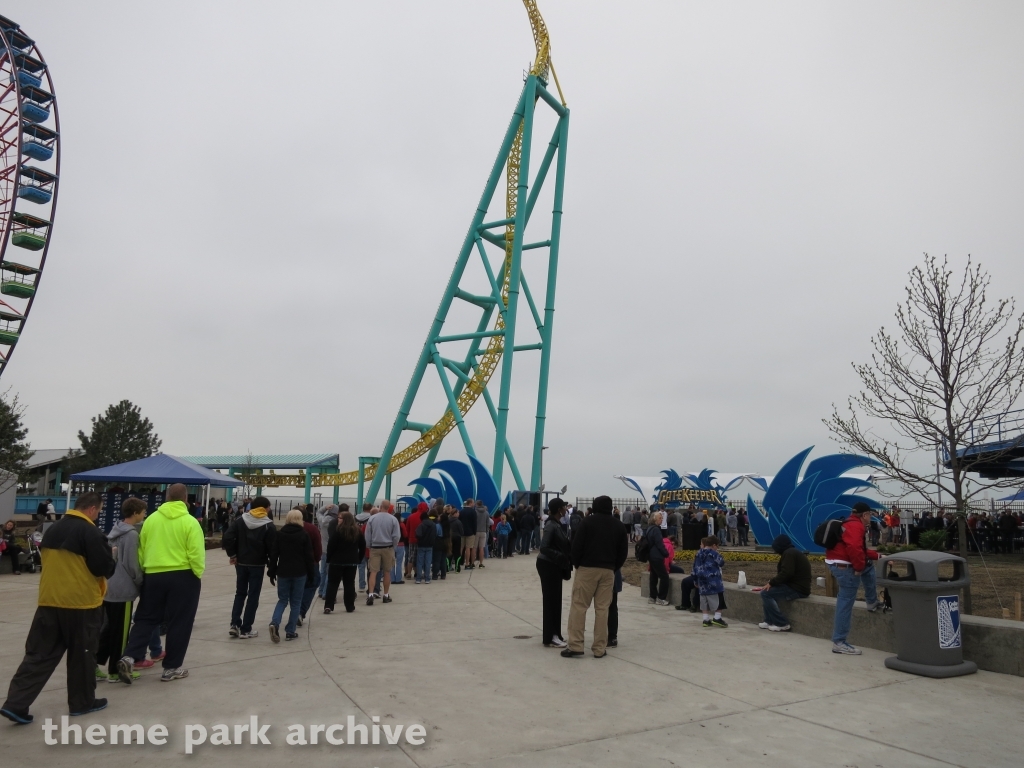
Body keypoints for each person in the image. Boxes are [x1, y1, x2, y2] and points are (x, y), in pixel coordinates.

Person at [1, 492, 116, 724]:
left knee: (38, 655)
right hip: (81, 604)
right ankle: (82, 703)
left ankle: (15, 704)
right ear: (92, 509)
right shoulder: (90, 531)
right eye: (99, 511)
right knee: (83, 655)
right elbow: (103, 568)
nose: (98, 515)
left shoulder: (53, 529)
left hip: (49, 601)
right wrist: (111, 556)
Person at [562, 495, 628, 659]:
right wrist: (614, 567)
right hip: (608, 570)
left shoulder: (587, 522)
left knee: (579, 606)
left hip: (587, 568)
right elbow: (623, 552)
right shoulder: (618, 525)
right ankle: (599, 648)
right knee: (603, 609)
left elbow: (576, 546)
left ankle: (576, 645)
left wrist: (577, 564)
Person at [96, 498, 147, 683]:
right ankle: (115, 671)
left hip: (110, 585)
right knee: (121, 632)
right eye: (143, 512)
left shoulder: (115, 530)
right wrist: (140, 581)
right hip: (123, 589)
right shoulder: (131, 535)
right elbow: (132, 564)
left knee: (109, 629)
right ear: (135, 513)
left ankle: (93, 663)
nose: (145, 515)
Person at [826, 502, 880, 655]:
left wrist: (878, 556)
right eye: (870, 514)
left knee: (868, 567)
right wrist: (858, 568)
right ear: (865, 515)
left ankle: (872, 601)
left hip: (836, 562)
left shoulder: (849, 523)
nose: (871, 517)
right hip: (845, 567)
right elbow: (855, 548)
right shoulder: (856, 526)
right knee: (845, 601)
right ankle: (839, 642)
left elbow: (861, 550)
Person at [222, 495, 277, 639]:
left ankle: (234, 624)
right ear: (264, 508)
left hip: (241, 562)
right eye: (268, 507)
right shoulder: (268, 525)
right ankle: (246, 628)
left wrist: (233, 554)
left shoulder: (241, 520)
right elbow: (272, 549)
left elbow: (227, 537)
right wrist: (272, 566)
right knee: (253, 596)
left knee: (240, 593)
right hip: (257, 564)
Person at [267, 509, 315, 642]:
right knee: (296, 602)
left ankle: (275, 622)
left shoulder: (280, 534)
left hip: (283, 571)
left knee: (282, 600)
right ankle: (290, 631)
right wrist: (311, 574)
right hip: (300, 572)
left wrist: (271, 572)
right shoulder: (304, 535)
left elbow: (274, 554)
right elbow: (309, 557)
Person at [755, 534, 811, 631]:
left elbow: (786, 573)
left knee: (766, 594)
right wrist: (773, 583)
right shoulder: (791, 552)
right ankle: (769, 621)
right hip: (795, 586)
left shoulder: (789, 553)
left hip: (798, 589)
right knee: (767, 591)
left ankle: (781, 623)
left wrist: (772, 583)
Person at [536, 498, 570, 648]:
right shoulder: (551, 525)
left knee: (555, 601)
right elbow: (544, 547)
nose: (566, 509)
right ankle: (551, 636)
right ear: (559, 509)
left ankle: (555, 634)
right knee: (551, 601)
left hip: (553, 565)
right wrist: (560, 556)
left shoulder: (556, 524)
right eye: (564, 507)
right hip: (548, 565)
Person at [323, 510, 365, 614]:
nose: (338, 519)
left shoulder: (338, 531)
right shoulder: (357, 531)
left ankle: (328, 605)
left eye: (340, 518)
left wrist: (329, 558)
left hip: (336, 561)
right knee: (349, 584)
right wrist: (359, 558)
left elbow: (331, 546)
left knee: (333, 584)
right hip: (351, 562)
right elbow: (363, 546)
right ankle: (349, 606)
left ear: (345, 519)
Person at [364, 502, 401, 604]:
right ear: (389, 508)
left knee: (373, 572)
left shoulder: (372, 518)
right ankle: (385, 595)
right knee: (387, 572)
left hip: (375, 547)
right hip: (388, 547)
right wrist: (393, 545)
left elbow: (368, 534)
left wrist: (369, 545)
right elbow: (396, 536)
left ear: (380, 507)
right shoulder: (393, 519)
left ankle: (371, 594)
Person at [694, 536, 727, 628]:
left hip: (702, 582)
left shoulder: (698, 553)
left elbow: (694, 568)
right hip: (714, 581)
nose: (717, 548)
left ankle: (706, 619)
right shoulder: (714, 554)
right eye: (717, 546)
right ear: (714, 545)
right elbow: (721, 563)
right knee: (719, 599)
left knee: (704, 600)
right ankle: (717, 617)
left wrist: (695, 580)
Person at [299, 506, 324, 624]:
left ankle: (295, 611)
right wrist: (316, 559)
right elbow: (318, 547)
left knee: (294, 588)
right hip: (311, 562)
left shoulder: (285, 529)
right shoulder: (312, 529)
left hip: (292, 564)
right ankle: (301, 611)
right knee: (311, 585)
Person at [645, 511, 671, 606]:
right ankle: (661, 598)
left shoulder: (649, 528)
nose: (662, 519)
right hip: (657, 556)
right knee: (664, 577)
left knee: (654, 576)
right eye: (660, 518)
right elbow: (659, 543)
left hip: (651, 555)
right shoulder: (656, 530)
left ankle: (652, 597)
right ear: (655, 519)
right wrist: (666, 553)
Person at [316, 503, 340, 597]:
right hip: (332, 550)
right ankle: (326, 592)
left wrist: (324, 508)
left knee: (323, 571)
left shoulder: (322, 520)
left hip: (324, 549)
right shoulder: (336, 522)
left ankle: (321, 590)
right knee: (330, 572)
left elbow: (318, 512)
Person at [405, 502, 427, 580]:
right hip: (422, 540)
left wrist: (409, 537)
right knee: (421, 558)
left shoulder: (411, 516)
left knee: (411, 557)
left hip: (412, 539)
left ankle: (409, 573)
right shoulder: (424, 517)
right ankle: (419, 573)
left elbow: (407, 528)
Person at [460, 499, 477, 569]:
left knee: (461, 547)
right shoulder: (473, 512)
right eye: (473, 503)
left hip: (462, 532)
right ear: (470, 503)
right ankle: (467, 563)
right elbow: (474, 523)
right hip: (470, 532)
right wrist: (474, 532)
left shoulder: (461, 511)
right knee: (468, 548)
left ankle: (459, 561)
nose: (474, 504)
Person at [475, 502, 490, 566]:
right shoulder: (486, 513)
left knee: (474, 548)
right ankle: (481, 563)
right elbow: (488, 523)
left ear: (477, 504)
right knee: (481, 548)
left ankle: (472, 563)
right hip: (483, 531)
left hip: (476, 531)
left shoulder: (475, 512)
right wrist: (486, 530)